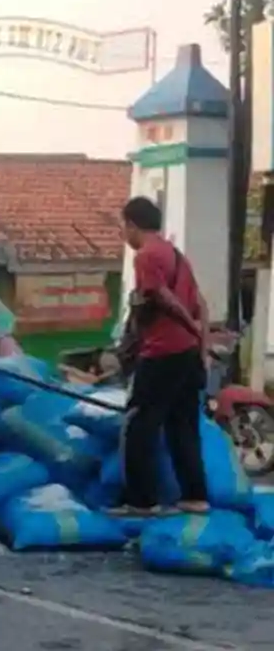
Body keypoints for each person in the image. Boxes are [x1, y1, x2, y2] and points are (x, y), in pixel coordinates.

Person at [110, 196, 210, 518]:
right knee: (183, 425)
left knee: (138, 424)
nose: (123, 234)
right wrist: (201, 345)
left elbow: (161, 296)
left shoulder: (146, 256)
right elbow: (202, 304)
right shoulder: (176, 255)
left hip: (162, 351)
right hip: (187, 354)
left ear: (132, 225)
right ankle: (195, 496)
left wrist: (188, 325)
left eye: (122, 226)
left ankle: (141, 501)